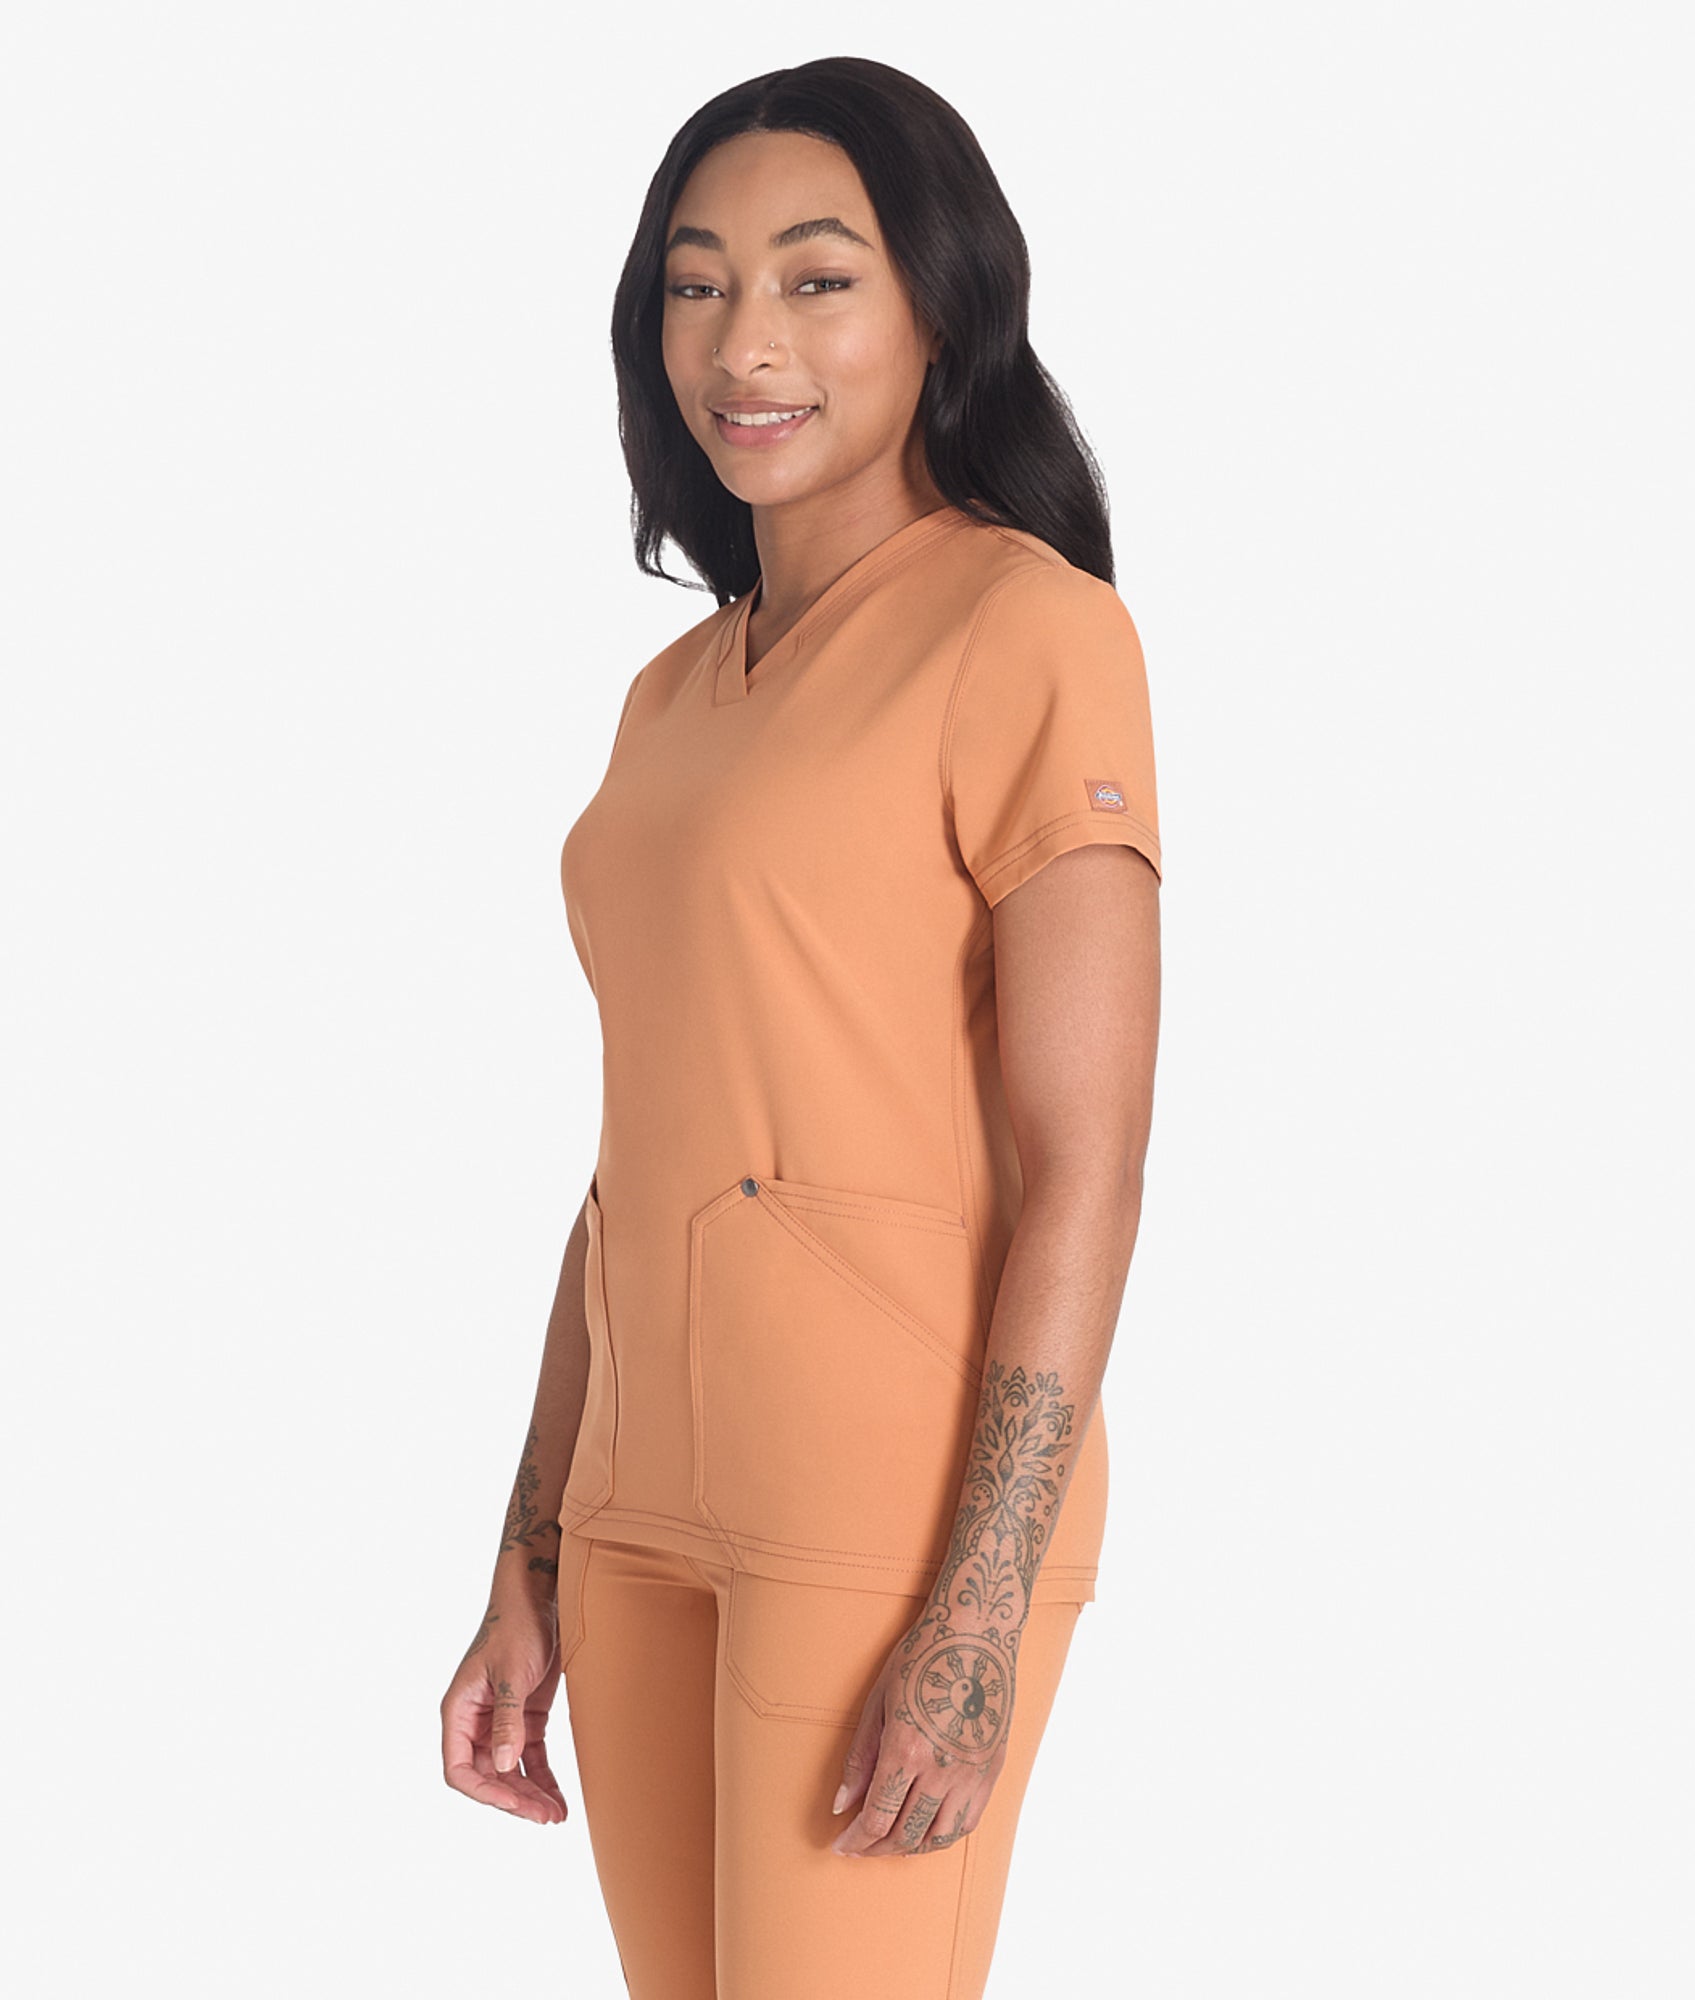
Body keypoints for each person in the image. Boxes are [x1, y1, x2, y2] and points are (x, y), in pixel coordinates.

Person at [441, 55, 1164, 1999]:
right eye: (695, 283)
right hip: (638, 1508)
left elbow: (1088, 1163)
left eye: (816, 279)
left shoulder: (1027, 630)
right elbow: (636, 1159)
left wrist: (976, 1611)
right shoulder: (670, 699)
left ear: (941, 307)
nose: (742, 340)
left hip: (879, 1519)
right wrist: (529, 1556)